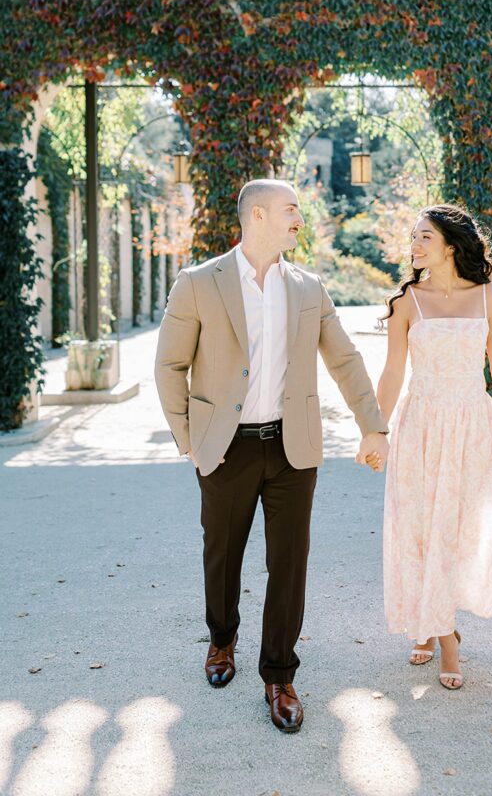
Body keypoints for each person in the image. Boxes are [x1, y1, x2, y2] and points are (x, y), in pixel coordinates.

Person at [155, 179, 389, 733]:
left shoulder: (309, 287)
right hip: (225, 448)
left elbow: (346, 361)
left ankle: (279, 675)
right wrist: (188, 439)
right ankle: (221, 640)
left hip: (293, 447)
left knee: (289, 564)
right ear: (257, 215)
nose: (299, 220)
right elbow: (169, 367)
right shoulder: (198, 283)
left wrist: (372, 426)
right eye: (291, 211)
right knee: (223, 555)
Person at [358, 203, 492, 690]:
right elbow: (394, 372)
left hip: (474, 426)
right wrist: (376, 430)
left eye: (424, 238)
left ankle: (440, 629)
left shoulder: (489, 297)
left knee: (458, 530)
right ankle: (441, 631)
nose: (413, 245)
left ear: (451, 246)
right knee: (419, 530)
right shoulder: (406, 302)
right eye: (412, 237)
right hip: (421, 426)